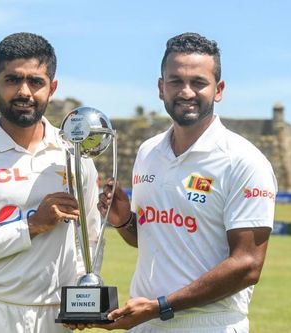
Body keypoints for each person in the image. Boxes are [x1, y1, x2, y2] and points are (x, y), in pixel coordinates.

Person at [94, 33, 277, 332]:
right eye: (176, 81)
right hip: (146, 318)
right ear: (160, 87)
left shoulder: (243, 160)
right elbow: (151, 239)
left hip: (207, 323)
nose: (186, 92)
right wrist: (124, 220)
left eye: (198, 82)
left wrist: (161, 305)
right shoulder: (148, 151)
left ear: (218, 90)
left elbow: (247, 265)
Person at [0, 32, 102, 333]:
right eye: (12, 80)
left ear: (52, 87)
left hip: (54, 316)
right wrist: (32, 226)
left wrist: (83, 293)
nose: (24, 91)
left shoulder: (74, 154)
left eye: (36, 82)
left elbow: (87, 242)